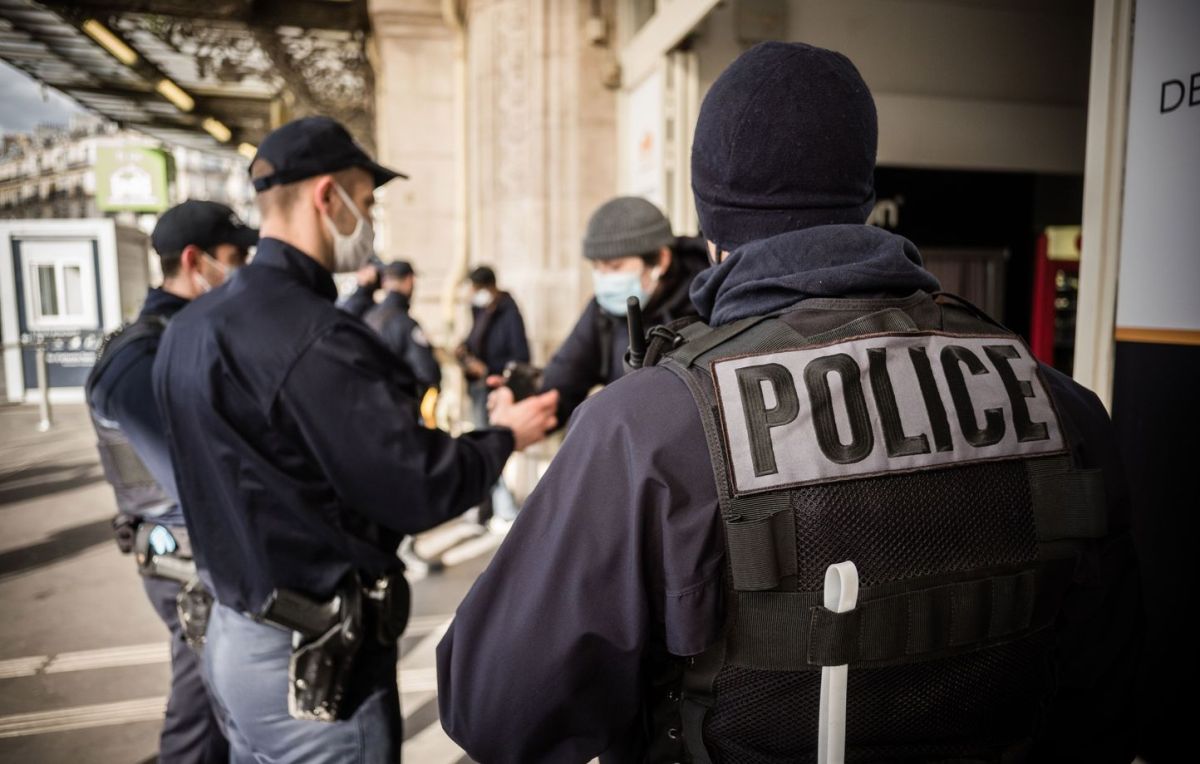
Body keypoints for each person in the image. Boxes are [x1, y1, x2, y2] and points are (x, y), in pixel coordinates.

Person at [437, 43, 1140, 763]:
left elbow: (492, 707)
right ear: (861, 197)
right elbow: (1112, 693)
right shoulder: (1061, 407)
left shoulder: (647, 428)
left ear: (710, 225)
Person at [152, 116, 558, 764]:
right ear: (326, 198)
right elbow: (416, 484)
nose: (369, 222)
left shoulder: (190, 328)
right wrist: (502, 437)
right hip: (313, 669)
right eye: (366, 203)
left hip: (230, 640)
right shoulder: (313, 337)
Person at [87, 199, 255, 764]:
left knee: (221, 705)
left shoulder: (181, 337)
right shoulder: (141, 357)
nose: (245, 268)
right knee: (201, 710)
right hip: (186, 562)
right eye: (236, 256)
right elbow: (200, 476)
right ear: (193, 260)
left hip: (199, 555)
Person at [539, 196, 709, 426]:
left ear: (661, 259)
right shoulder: (603, 311)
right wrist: (530, 402)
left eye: (615, 267)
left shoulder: (706, 303)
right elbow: (566, 375)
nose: (604, 278)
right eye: (597, 267)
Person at [456, 265, 531, 524]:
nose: (474, 295)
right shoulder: (480, 312)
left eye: (477, 289)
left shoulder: (509, 313)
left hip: (495, 390)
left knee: (490, 446)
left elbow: (521, 358)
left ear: (489, 287)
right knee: (481, 444)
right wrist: (464, 353)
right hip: (477, 389)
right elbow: (473, 341)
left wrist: (488, 368)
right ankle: (487, 506)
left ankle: (504, 507)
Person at [363, 260, 441, 395]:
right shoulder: (407, 324)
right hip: (396, 406)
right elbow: (428, 373)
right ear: (409, 280)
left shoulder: (369, 316)